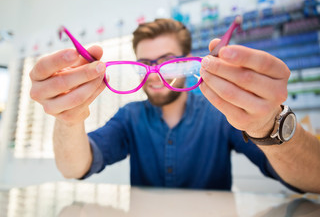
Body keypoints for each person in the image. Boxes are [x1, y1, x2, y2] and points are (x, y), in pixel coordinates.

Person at [29, 19, 320, 193]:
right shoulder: (130, 117)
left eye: (167, 64)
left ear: (187, 62)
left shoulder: (221, 114)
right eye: (144, 66)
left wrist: (269, 124)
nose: (154, 74)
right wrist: (68, 118)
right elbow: (75, 167)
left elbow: (311, 180)